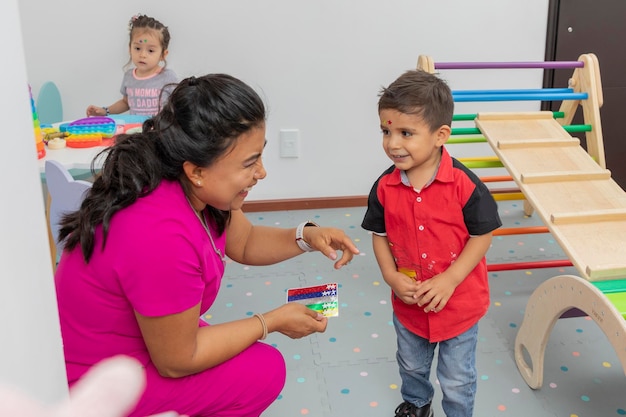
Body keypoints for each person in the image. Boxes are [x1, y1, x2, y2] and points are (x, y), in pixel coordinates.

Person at [56, 73, 360, 417]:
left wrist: (305, 237)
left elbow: (242, 242)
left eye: (259, 157)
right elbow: (177, 361)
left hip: (138, 340)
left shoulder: (194, 187)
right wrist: (270, 321)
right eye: (249, 163)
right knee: (264, 370)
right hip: (98, 376)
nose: (262, 173)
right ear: (197, 170)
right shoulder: (159, 235)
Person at [361, 70, 502, 417]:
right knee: (410, 365)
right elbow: (379, 237)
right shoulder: (384, 187)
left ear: (440, 136)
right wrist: (391, 277)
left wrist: (450, 279)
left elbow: (482, 235)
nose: (393, 143)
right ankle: (418, 403)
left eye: (406, 133)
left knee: (456, 378)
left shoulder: (466, 185)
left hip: (459, 306)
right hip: (408, 307)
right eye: (386, 131)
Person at [86, 14, 178, 118]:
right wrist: (104, 111)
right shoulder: (129, 76)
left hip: (159, 132)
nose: (142, 55)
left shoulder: (167, 77)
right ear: (130, 49)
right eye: (137, 48)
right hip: (135, 131)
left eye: (150, 50)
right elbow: (126, 103)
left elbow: (179, 104)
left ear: (163, 55)